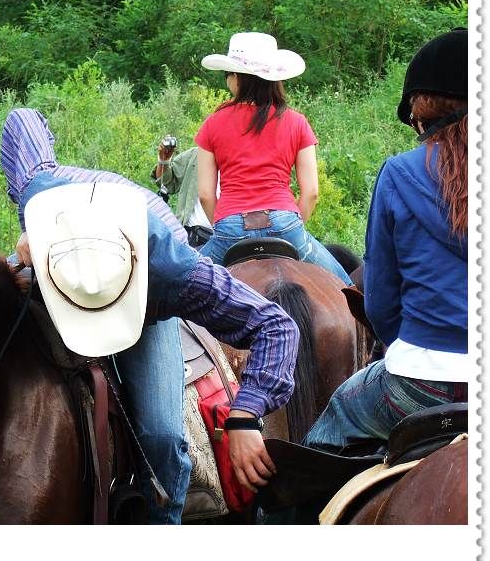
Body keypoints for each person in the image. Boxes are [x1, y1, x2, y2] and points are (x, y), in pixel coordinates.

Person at [0, 108, 299, 523]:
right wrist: (28, 240)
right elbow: (22, 119)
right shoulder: (39, 194)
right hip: (63, 247)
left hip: (146, 265)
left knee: (162, 436)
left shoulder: (174, 272)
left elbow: (277, 325)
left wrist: (245, 416)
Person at [303, 28, 468, 452]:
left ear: (427, 113)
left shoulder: (399, 172)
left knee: (333, 421)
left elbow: (379, 303)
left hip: (422, 384)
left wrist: (403, 345)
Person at [194, 32, 352, 284]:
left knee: (179, 288)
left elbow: (204, 194)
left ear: (238, 79)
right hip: (285, 223)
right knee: (347, 289)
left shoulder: (213, 123)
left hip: (231, 226)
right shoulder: (297, 122)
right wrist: (291, 228)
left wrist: (226, 227)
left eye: (228, 74)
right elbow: (311, 192)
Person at [152, 136, 213, 248]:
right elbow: (167, 183)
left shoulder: (244, 160)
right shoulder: (196, 155)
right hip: (190, 237)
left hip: (227, 239)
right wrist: (163, 160)